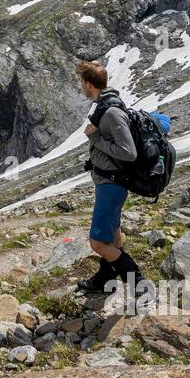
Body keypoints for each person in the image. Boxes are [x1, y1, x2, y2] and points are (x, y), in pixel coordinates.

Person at [75, 60, 152, 301]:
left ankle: (138, 282)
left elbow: (129, 152)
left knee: (98, 242)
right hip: (109, 182)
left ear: (88, 84)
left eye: (82, 83)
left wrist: (96, 138)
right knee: (114, 236)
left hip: (112, 184)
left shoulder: (111, 112)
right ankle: (105, 279)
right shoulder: (104, 106)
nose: (81, 87)